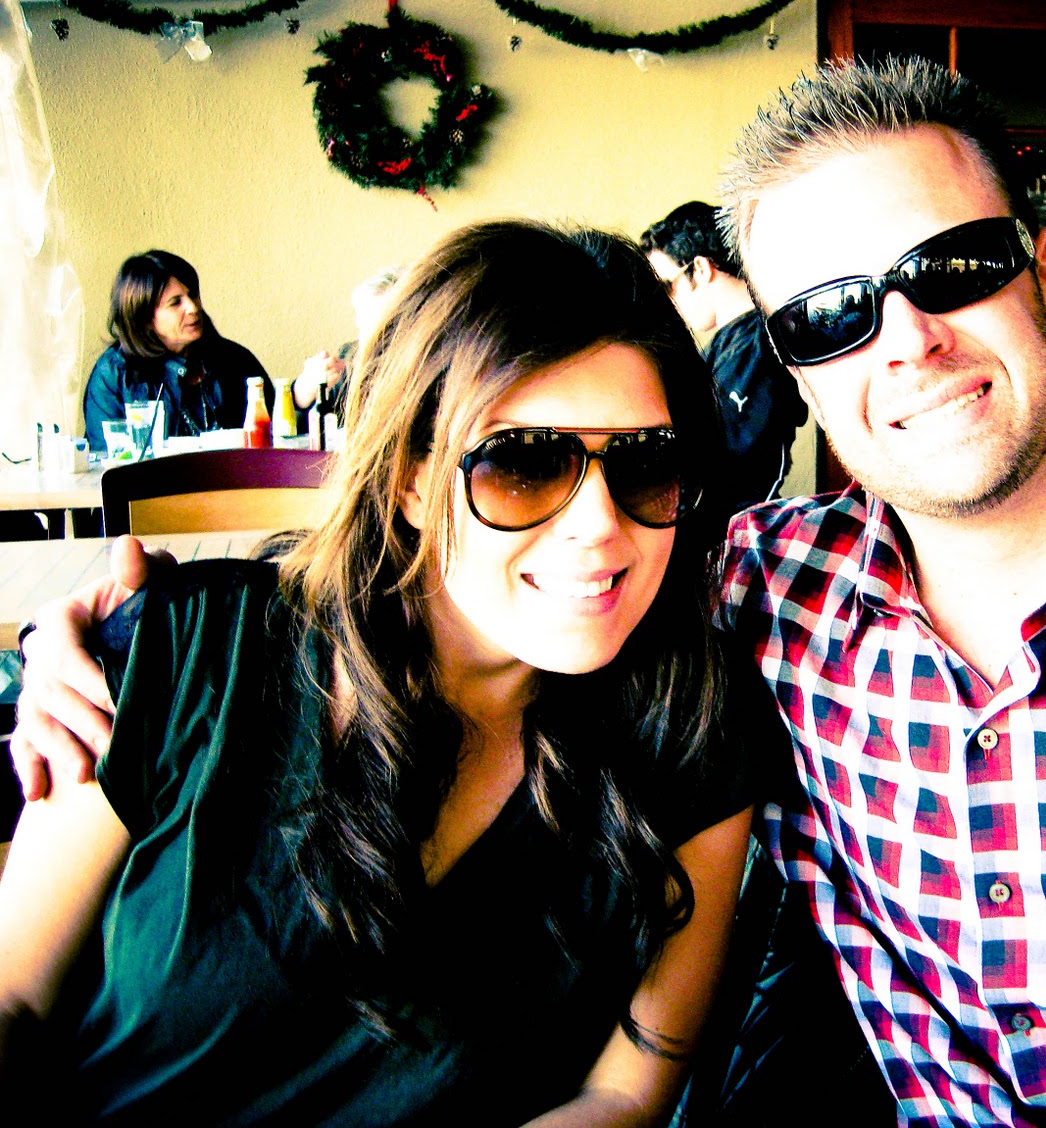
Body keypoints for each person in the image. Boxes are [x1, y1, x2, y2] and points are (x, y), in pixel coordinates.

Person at [12, 62, 1046, 1126]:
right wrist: (82, 631)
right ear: (791, 368)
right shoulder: (770, 593)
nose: (905, 339)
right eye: (829, 313)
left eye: (953, 268)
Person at [0, 220, 757, 1124]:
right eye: (523, 464)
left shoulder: (693, 725)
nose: (600, 524)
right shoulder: (189, 654)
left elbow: (625, 1093)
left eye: (644, 464)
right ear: (407, 478)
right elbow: (15, 996)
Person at [642, 202, 808, 511]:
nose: (665, 302)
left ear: (701, 269)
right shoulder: (728, 342)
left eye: (666, 287)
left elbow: (725, 464)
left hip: (726, 528)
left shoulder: (763, 345)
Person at [83, 250, 272, 451]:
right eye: (175, 303)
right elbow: (106, 457)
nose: (193, 308)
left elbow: (275, 437)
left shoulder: (235, 360)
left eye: (193, 295)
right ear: (145, 318)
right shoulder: (114, 375)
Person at [291, 265, 403, 426]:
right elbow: (304, 426)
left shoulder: (431, 366)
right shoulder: (350, 358)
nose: (370, 338)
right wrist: (304, 391)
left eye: (386, 326)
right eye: (364, 325)